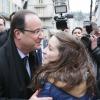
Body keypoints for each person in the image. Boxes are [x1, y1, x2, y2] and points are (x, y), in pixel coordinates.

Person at [0, 10, 52, 100]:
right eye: (36, 31)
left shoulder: (33, 53)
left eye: (41, 30)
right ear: (18, 34)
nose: (42, 36)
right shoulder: (2, 60)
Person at [32, 31, 96, 100]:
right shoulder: (88, 79)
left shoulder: (49, 86)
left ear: (64, 56)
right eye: (47, 46)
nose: (44, 51)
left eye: (50, 48)